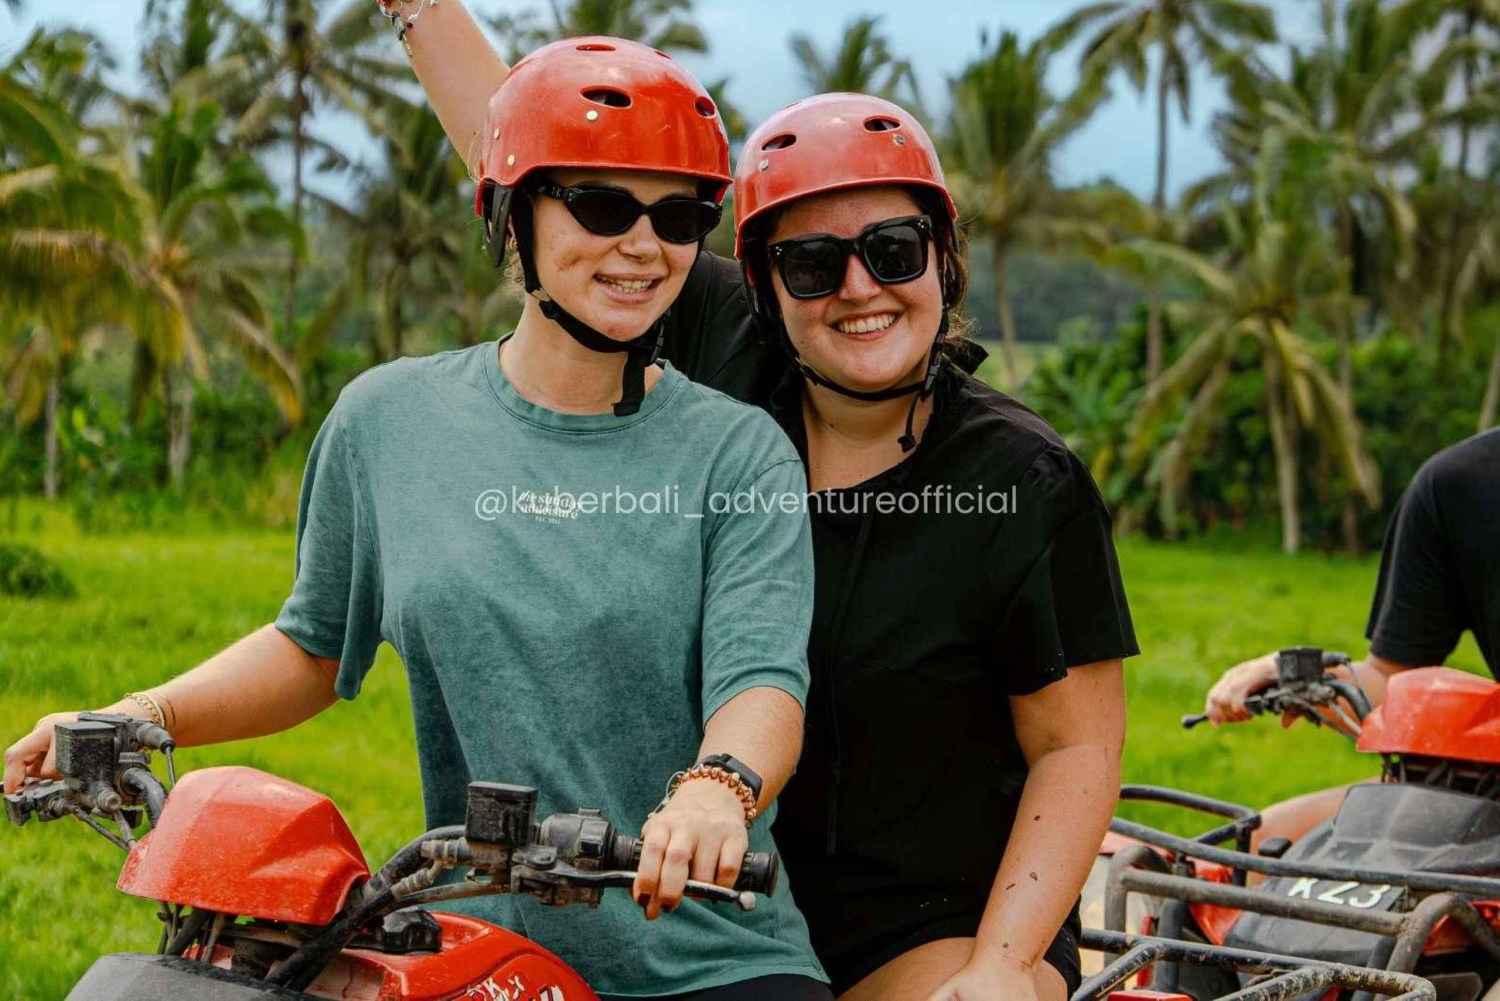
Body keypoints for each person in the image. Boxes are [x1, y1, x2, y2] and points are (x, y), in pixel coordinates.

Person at [3, 38, 834, 1001]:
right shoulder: (388, 420)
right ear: (509, 214)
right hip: (477, 948)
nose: (644, 246)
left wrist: (718, 787)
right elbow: (313, 644)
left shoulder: (738, 453)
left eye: (679, 216)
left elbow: (762, 680)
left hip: (712, 958)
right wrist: (139, 716)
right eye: (602, 206)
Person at [383, 8, 1138, 1000]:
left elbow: (1076, 745)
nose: (858, 289)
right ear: (765, 286)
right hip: (690, 895)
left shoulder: (1021, 480)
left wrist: (1003, 960)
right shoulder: (728, 356)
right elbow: (554, 166)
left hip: (931, 920)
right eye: (813, 264)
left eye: (895, 250)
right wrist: (419, 10)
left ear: (944, 258)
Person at [1203, 428, 1500, 842]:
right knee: (1260, 843)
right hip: (1489, 789)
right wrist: (1294, 676)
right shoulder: (1457, 485)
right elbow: (1392, 681)